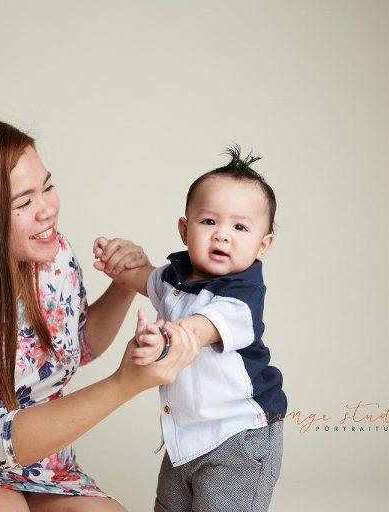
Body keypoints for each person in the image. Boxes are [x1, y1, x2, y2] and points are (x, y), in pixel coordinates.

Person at [0, 116, 200, 512]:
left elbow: (77, 346)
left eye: (47, 186)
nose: (47, 209)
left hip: (42, 458)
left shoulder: (54, 256)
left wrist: (122, 284)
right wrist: (124, 383)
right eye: (24, 202)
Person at [93, 146, 287, 511]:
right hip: (185, 436)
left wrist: (166, 338)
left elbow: (201, 329)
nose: (221, 235)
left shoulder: (243, 295)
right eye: (208, 221)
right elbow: (141, 278)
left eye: (240, 227)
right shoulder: (174, 276)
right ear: (184, 229)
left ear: (263, 245)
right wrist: (116, 261)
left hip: (239, 436)